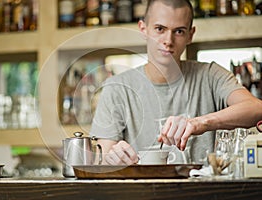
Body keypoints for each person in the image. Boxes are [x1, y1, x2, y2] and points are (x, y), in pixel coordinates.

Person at [89, 0, 262, 165]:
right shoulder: (117, 88)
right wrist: (111, 158)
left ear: (190, 35)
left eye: (178, 31)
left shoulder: (210, 75)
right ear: (143, 29)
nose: (168, 41)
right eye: (159, 29)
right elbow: (104, 158)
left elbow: (257, 109)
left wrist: (199, 123)